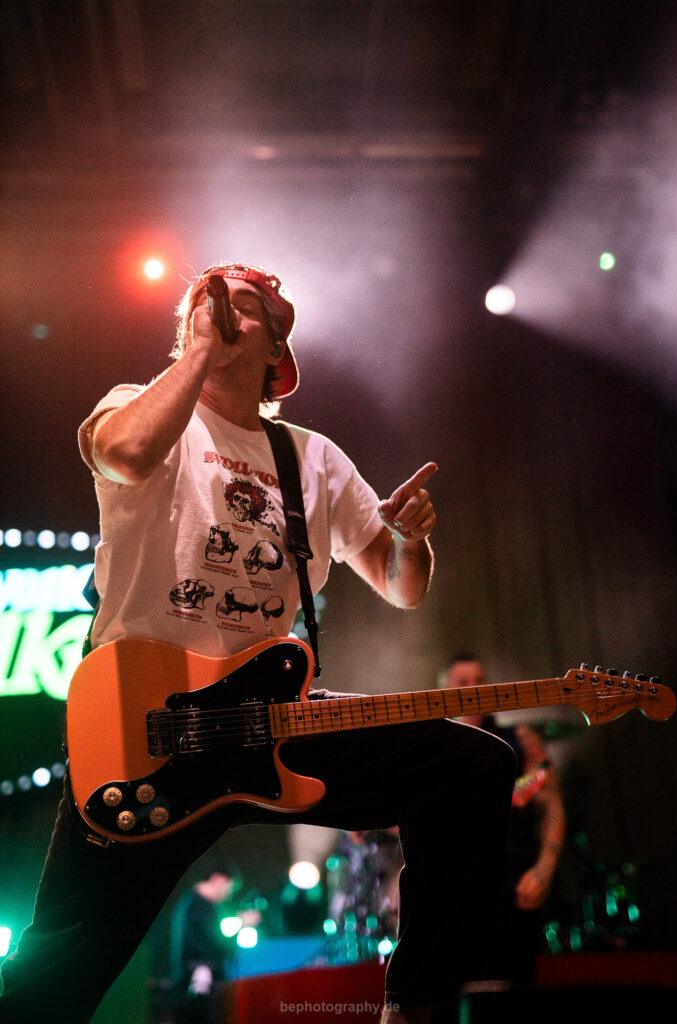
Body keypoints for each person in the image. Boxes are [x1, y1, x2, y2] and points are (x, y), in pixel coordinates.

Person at [0, 262, 515, 1024]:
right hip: (145, 732)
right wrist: (201, 353)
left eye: (239, 305)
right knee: (56, 978)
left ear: (277, 348)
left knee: (471, 765)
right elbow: (128, 455)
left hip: (264, 723)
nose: (217, 312)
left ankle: (415, 1006)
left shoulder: (312, 458)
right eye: (203, 305)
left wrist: (411, 542)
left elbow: (401, 585)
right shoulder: (133, 408)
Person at [444, 653, 566, 986]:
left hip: (514, 884)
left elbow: (551, 806)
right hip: (454, 893)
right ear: (443, 690)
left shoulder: (519, 739)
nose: (473, 688)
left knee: (515, 989)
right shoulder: (436, 746)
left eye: (480, 680)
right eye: (462, 682)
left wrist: (544, 869)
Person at [170, 866, 236, 1024]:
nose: (229, 894)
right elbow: (212, 942)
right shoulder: (200, 905)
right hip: (201, 979)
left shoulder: (191, 903)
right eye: (229, 887)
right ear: (218, 879)